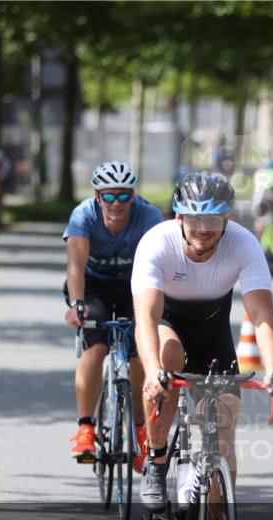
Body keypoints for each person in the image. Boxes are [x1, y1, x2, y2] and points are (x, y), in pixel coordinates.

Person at [131, 171, 273, 511]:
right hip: (167, 324)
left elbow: (261, 314)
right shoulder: (157, 242)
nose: (203, 228)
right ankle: (156, 462)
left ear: (227, 218)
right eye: (195, 219)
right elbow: (146, 316)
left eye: (213, 219)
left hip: (212, 334)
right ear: (179, 216)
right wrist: (151, 371)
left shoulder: (243, 243)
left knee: (223, 432)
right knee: (167, 358)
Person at [64, 160, 165, 468]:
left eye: (124, 196)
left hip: (136, 286)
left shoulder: (149, 217)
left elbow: (161, 266)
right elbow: (76, 266)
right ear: (98, 197)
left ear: (133, 196)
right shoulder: (83, 216)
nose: (116, 204)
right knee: (95, 348)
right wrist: (77, 305)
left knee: (138, 355)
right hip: (94, 287)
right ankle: (85, 427)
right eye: (109, 196)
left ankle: (138, 430)